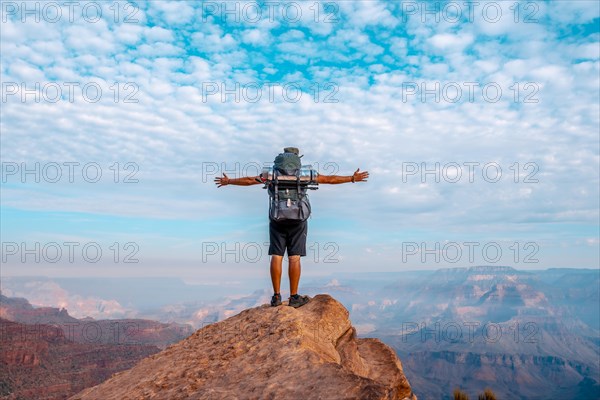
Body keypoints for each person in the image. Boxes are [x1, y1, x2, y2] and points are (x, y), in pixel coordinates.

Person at [214, 147, 369, 308]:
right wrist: (351, 178)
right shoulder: (304, 174)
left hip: (277, 219)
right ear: (297, 159)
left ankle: (276, 297)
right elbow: (329, 179)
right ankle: (294, 297)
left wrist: (229, 181)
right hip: (298, 219)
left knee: (277, 255)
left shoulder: (271, 174)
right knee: (294, 257)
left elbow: (249, 180)